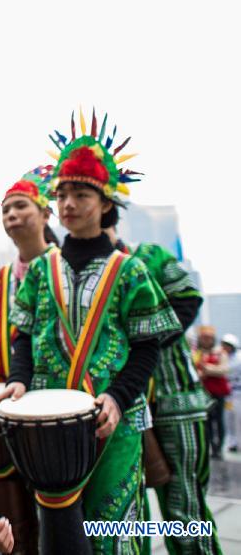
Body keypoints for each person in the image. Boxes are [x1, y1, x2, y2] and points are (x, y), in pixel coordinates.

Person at [0, 109, 181, 553]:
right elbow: (23, 337)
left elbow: (146, 348)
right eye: (61, 194)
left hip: (113, 419)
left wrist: (118, 398)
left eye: (81, 194)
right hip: (49, 419)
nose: (68, 205)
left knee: (112, 532)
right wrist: (19, 379)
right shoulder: (40, 271)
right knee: (60, 535)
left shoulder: (131, 270)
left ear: (105, 203)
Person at [105, 229, 222, 554]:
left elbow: (188, 298)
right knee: (128, 511)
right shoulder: (84, 269)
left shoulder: (150, 255)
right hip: (125, 410)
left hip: (175, 402)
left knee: (184, 507)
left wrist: (144, 342)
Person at [0, 165, 56, 555]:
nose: (11, 215)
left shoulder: (69, 269)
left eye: (20, 206)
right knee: (14, 518)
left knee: (62, 519)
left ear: (45, 212)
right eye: (5, 209)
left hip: (62, 405)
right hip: (9, 406)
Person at [194, 326, 231, 460]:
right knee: (206, 421)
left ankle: (219, 447)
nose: (206, 341)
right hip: (203, 393)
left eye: (208, 338)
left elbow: (224, 369)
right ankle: (210, 447)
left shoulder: (220, 353)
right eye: (204, 338)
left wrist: (207, 370)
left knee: (219, 420)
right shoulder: (197, 353)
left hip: (218, 392)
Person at [223, 334, 241, 453]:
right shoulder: (224, 357)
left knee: (238, 419)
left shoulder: (238, 358)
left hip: (238, 393)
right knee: (229, 419)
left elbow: (226, 370)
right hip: (228, 394)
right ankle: (232, 443)